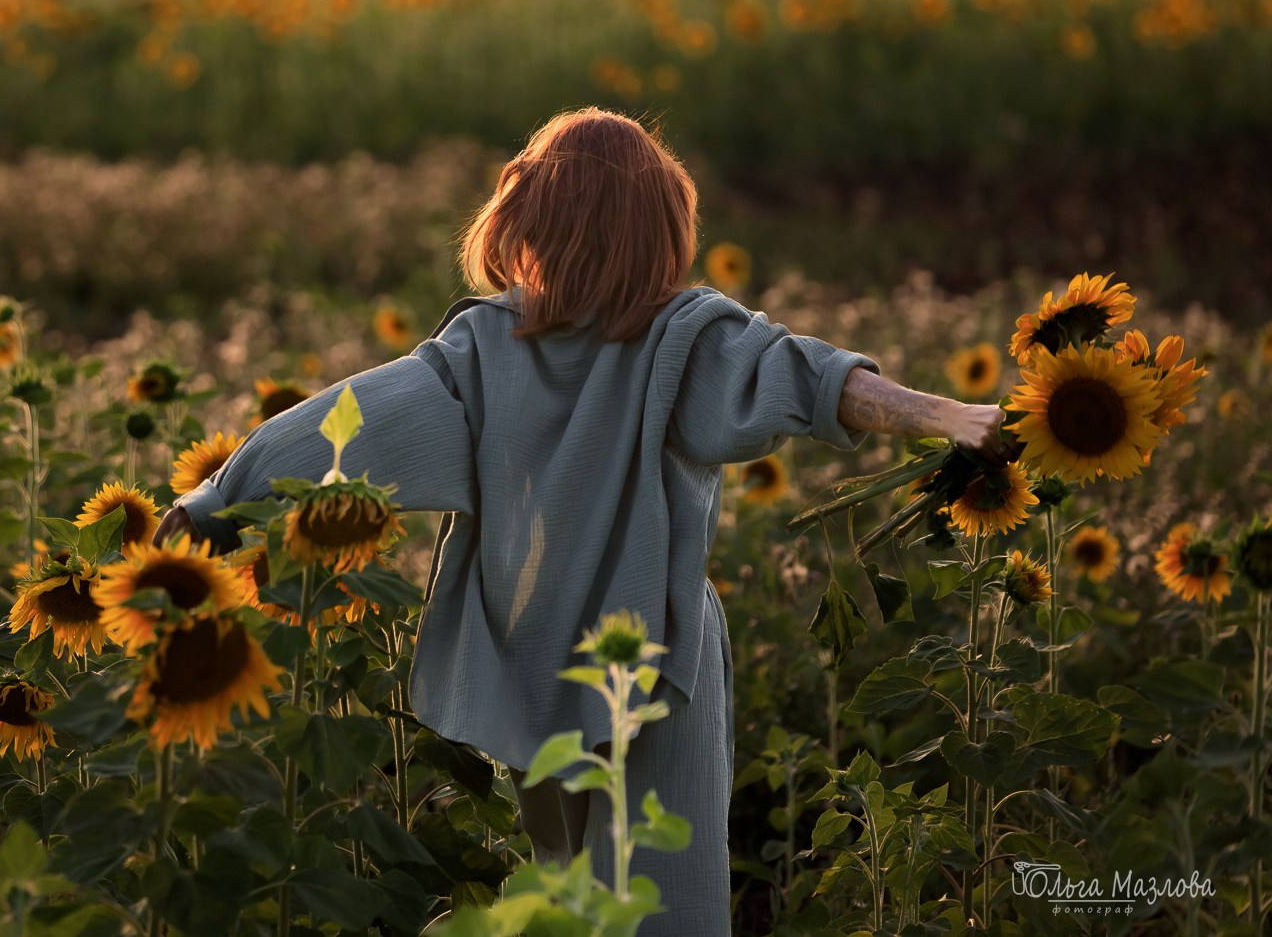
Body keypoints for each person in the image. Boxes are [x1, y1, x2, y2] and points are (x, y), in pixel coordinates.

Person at [153, 107, 1005, 935]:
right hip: (656, 652)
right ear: (660, 223)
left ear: (528, 213)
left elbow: (349, 418)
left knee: (569, 893)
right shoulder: (682, 337)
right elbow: (811, 380)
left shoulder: (479, 351)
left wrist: (218, 501)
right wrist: (945, 414)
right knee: (665, 892)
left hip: (533, 654)